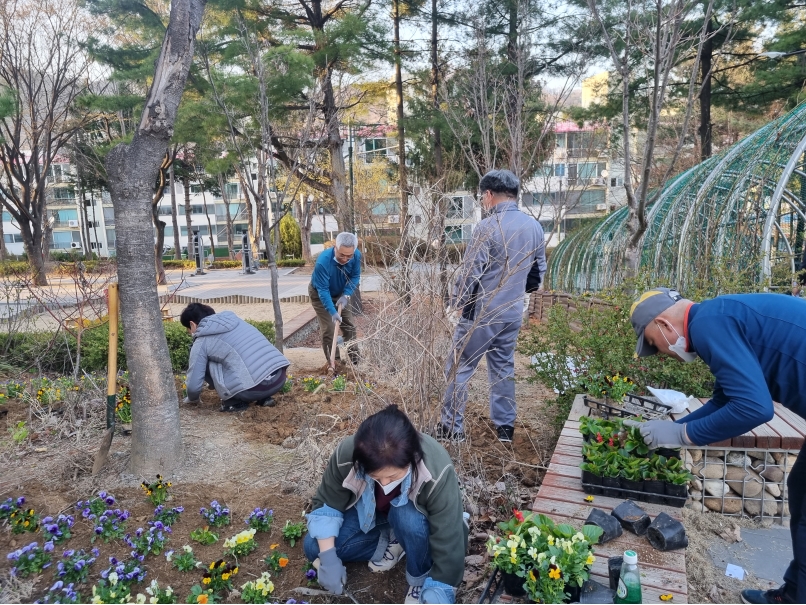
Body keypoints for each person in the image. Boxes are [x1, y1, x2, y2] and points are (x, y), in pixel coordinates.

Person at [626, 287, 806, 605]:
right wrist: (672, 429)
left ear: (664, 325)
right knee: (803, 491)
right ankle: (795, 594)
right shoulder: (718, 315)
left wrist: (680, 437)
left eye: (653, 344)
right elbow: (726, 400)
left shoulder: (708, 324)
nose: (662, 352)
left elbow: (754, 408)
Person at [304, 405, 467, 604]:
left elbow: (448, 535)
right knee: (314, 547)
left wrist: (440, 587)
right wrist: (329, 561)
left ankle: (418, 578)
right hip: (372, 517)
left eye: (392, 476)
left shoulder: (436, 469)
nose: (385, 484)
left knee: (405, 516)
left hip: (414, 518)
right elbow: (327, 504)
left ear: (411, 459)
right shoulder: (350, 454)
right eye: (376, 477)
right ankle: (395, 541)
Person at [439, 169, 546, 443]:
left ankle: (452, 428)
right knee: (502, 368)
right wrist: (516, 293)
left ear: (488, 195)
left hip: (483, 314)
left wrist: (457, 303)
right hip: (512, 313)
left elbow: (470, 273)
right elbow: (537, 274)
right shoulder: (534, 226)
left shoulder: (487, 227)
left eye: (482, 197)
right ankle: (505, 430)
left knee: (459, 366)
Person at [180, 303, 290, 412]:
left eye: (188, 330)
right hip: (278, 378)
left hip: (253, 390)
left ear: (192, 325)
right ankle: (264, 398)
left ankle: (234, 403)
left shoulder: (201, 341)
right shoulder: (237, 321)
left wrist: (191, 398)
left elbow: (193, 387)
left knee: (208, 360)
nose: (189, 333)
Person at [309, 232, 362, 365]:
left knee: (349, 326)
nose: (345, 259)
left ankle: (355, 361)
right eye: (342, 255)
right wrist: (332, 312)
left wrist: (346, 294)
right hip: (320, 294)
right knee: (329, 329)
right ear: (335, 247)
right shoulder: (323, 262)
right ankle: (335, 363)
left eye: (349, 256)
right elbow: (323, 291)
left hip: (341, 294)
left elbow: (355, 276)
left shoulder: (356, 256)